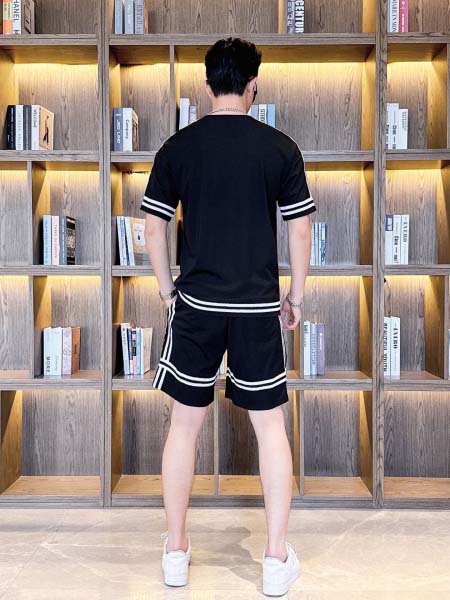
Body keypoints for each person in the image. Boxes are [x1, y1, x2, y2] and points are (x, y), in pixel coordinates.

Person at [140, 36, 316, 597]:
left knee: (183, 427)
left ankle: (175, 553)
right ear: (253, 85)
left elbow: (153, 227)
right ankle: (275, 559)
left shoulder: (178, 147)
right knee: (271, 429)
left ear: (207, 85)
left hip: (196, 306)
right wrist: (296, 296)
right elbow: (300, 230)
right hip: (258, 308)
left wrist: (168, 291)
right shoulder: (280, 148)